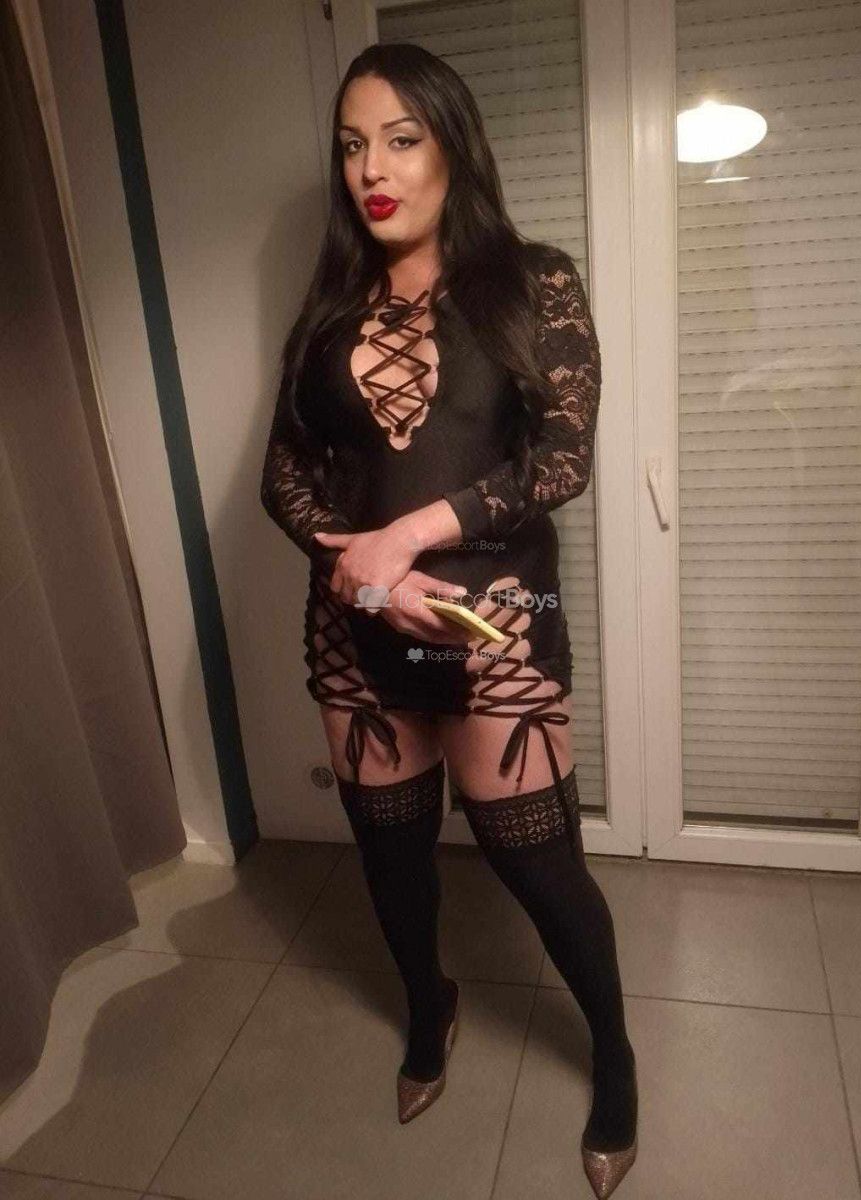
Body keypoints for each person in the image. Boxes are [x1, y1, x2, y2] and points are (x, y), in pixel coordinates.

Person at [260, 41, 638, 1199]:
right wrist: (361, 569)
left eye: (399, 138)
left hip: (492, 631)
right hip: (358, 630)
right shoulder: (330, 306)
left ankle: (613, 1054)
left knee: (541, 870)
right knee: (389, 857)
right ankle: (429, 1008)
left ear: (451, 147)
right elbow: (284, 473)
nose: (370, 168)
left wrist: (412, 531)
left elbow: (562, 455)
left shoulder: (533, 281)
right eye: (350, 145)